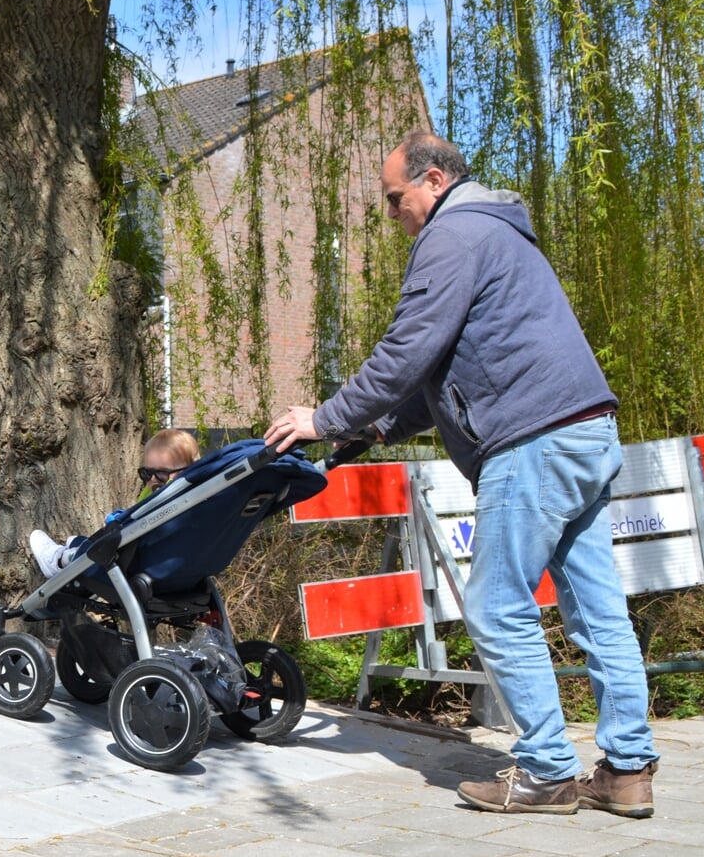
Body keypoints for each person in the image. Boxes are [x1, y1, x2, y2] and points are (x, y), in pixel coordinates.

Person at [264, 131, 657, 818]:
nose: (394, 215)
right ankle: (627, 770)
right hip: (584, 430)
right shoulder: (496, 232)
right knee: (597, 610)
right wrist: (372, 429)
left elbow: (406, 350)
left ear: (434, 180)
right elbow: (436, 376)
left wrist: (324, 417)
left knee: (496, 606)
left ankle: (546, 772)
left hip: (532, 442)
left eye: (396, 199)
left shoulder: (453, 236)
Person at [28, 428, 200, 577]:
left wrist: (120, 521)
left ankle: (59, 560)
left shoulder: (173, 502)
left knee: (95, 549)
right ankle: (76, 546)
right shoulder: (198, 502)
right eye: (146, 473)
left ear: (187, 471)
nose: (152, 480)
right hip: (179, 573)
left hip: (137, 567)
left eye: (161, 474)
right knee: (84, 541)